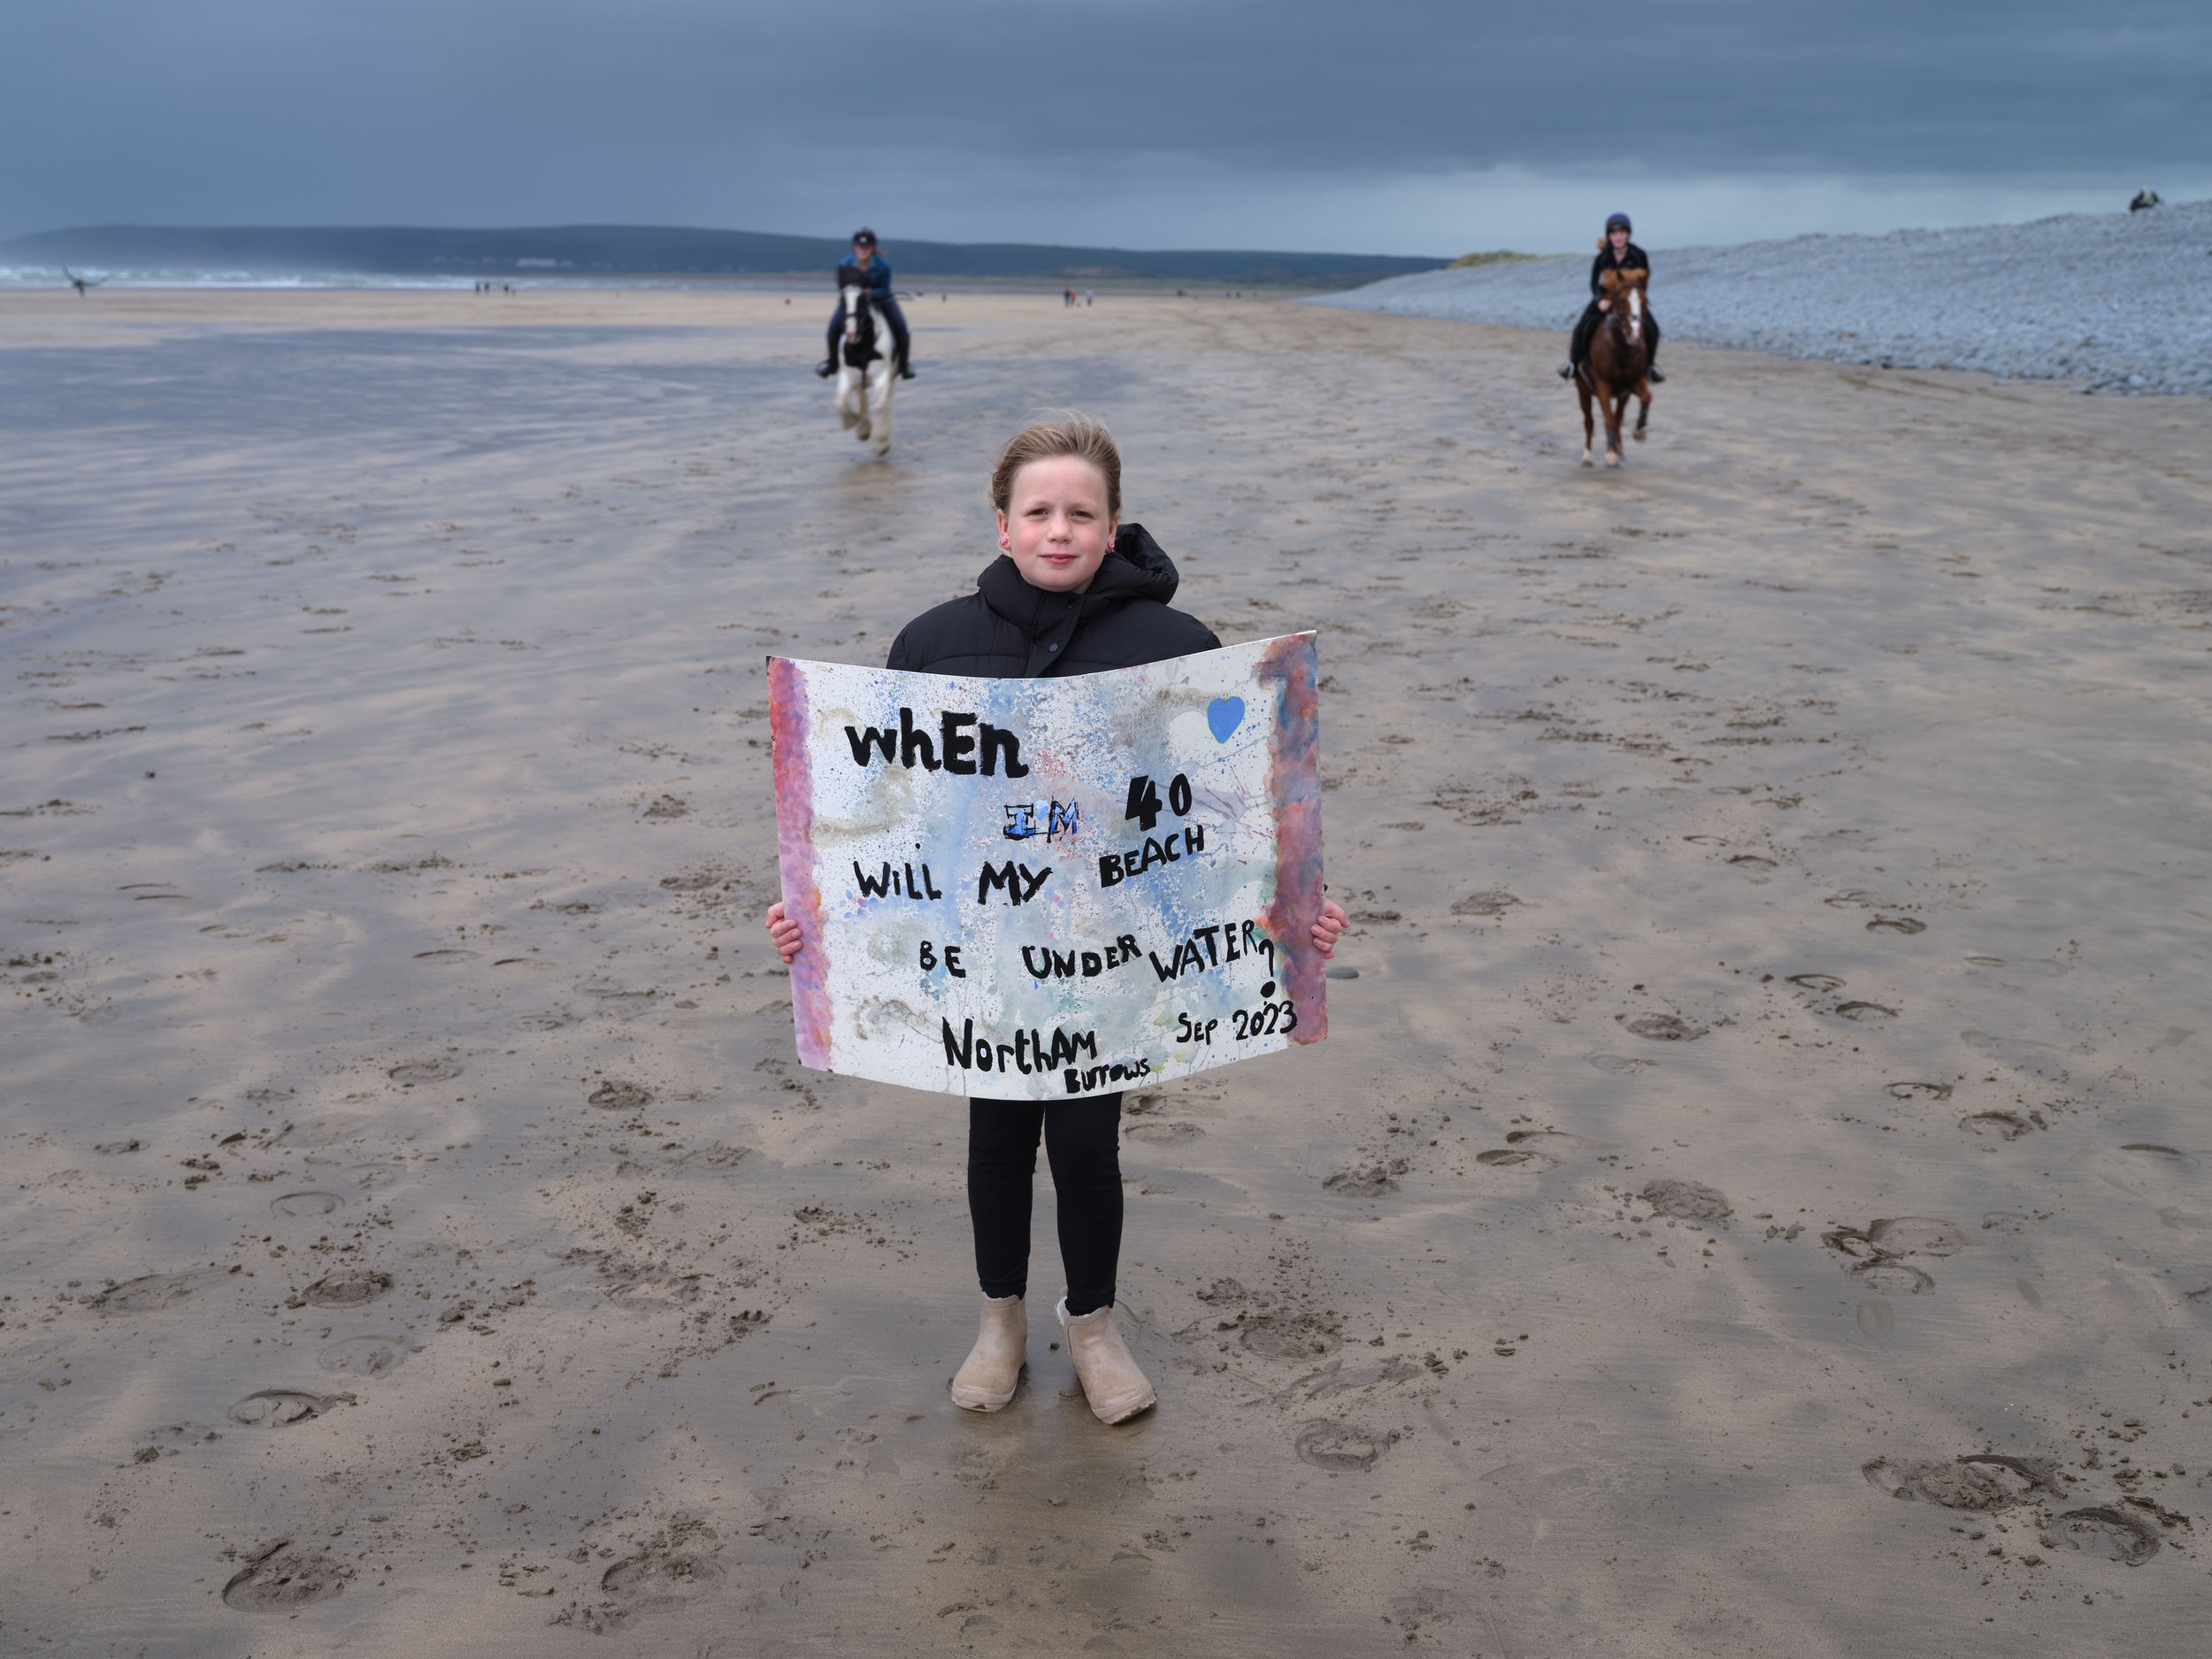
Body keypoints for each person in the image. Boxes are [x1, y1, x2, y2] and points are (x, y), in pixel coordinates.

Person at [764, 416, 1348, 1425]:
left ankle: (1092, 1327)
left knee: (1085, 1145)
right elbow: (890, 810)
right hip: (986, 947)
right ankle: (997, 1324)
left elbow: (1224, 812)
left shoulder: (1173, 647)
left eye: (1081, 512)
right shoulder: (934, 643)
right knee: (997, 1137)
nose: (1058, 529)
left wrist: (1290, 906)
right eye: (1038, 511)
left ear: (1113, 525)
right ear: (1002, 526)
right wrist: (821, 909)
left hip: (1115, 954)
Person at [1559, 211, 1664, 384]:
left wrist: (1638, 299)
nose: (1618, 237)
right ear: (1609, 235)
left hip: (1631, 301)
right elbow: (1594, 284)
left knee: (1653, 328)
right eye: (1614, 234)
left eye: (1622, 233)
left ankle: (1650, 366)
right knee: (1582, 327)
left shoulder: (1639, 255)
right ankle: (1573, 364)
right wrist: (1600, 299)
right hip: (1606, 298)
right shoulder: (1603, 257)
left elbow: (1644, 282)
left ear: (1628, 234)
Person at [818, 227, 914, 380]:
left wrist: (869, 294)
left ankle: (904, 365)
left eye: (867, 247)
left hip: (881, 300)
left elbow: (885, 288)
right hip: (853, 303)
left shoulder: (883, 266)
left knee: (901, 327)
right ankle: (832, 363)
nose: (863, 250)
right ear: (854, 248)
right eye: (859, 247)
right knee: (833, 328)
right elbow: (842, 289)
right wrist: (856, 295)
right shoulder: (845, 264)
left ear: (873, 248)